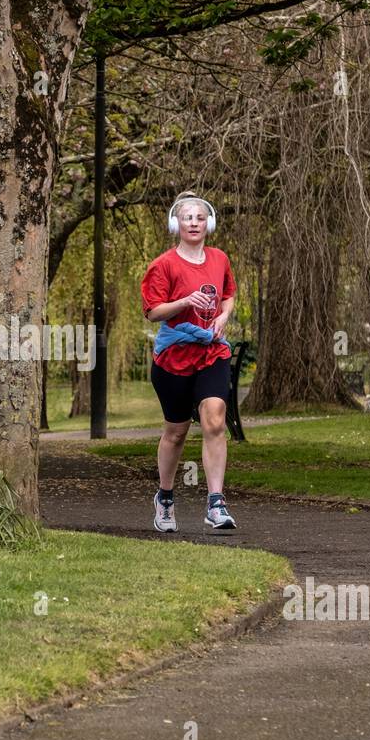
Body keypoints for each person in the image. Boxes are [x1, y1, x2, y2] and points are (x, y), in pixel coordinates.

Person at [140, 191, 237, 532]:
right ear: (176, 224)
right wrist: (183, 302)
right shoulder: (163, 265)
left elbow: (228, 295)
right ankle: (165, 498)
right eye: (187, 218)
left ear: (208, 223)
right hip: (174, 358)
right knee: (176, 433)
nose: (194, 223)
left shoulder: (220, 258)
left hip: (212, 351)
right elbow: (153, 312)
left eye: (199, 217)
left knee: (214, 421)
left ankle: (216, 503)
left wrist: (224, 316)